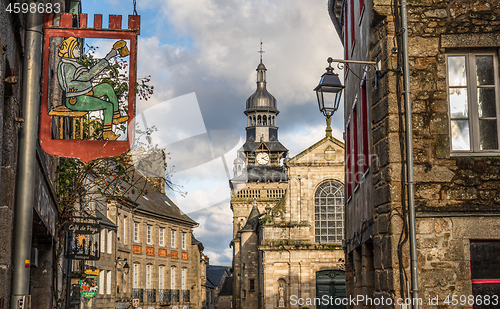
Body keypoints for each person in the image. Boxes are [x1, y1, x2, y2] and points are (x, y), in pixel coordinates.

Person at [57, 37, 129, 140]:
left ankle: (115, 116)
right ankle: (107, 132)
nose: (79, 50)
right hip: (76, 100)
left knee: (107, 87)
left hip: (85, 93)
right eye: (76, 48)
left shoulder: (71, 64)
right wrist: (108, 57)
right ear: (69, 51)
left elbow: (83, 79)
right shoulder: (68, 66)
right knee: (108, 105)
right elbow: (88, 76)